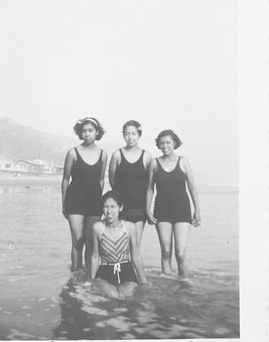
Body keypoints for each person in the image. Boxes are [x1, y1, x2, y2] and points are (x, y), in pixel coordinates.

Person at [146, 130, 201, 279]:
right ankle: (167, 283)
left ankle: (185, 283)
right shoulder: (154, 163)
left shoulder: (183, 161)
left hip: (182, 210)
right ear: (158, 144)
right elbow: (150, 189)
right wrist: (147, 210)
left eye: (168, 142)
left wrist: (197, 210)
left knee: (181, 254)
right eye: (162, 143)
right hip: (161, 210)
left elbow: (192, 186)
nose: (165, 146)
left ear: (175, 143)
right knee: (166, 251)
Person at [62, 117, 107, 272]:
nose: (87, 134)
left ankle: (89, 276)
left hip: (94, 203)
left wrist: (98, 201)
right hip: (74, 202)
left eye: (90, 131)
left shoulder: (103, 154)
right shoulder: (73, 153)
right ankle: (75, 276)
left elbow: (101, 181)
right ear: (80, 133)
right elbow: (65, 180)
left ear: (97, 132)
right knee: (77, 241)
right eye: (84, 131)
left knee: (91, 242)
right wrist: (64, 205)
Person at [90, 190, 147, 298]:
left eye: (113, 206)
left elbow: (136, 256)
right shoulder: (97, 228)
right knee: (113, 297)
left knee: (127, 297)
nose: (109, 211)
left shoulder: (130, 227)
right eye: (106, 207)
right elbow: (95, 256)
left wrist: (143, 281)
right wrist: (92, 281)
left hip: (126, 270)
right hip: (105, 271)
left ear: (120, 208)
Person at [109, 120, 152, 248]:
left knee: (135, 246)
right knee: (120, 245)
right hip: (122, 207)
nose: (130, 137)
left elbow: (150, 185)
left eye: (133, 134)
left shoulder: (147, 157)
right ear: (123, 135)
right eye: (127, 134)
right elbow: (112, 180)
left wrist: (148, 208)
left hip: (139, 207)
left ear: (139, 135)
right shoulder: (117, 155)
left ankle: (133, 269)